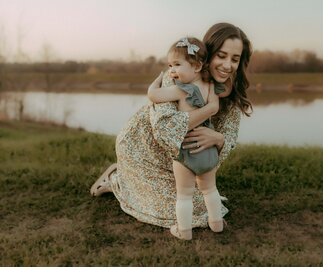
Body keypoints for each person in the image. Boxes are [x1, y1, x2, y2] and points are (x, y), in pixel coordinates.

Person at [90, 22, 253, 235]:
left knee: (203, 205)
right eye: (221, 56)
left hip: (183, 158)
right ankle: (117, 178)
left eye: (235, 59)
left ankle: (131, 181)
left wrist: (218, 139)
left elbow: (228, 138)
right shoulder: (178, 74)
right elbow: (164, 131)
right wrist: (210, 109)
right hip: (143, 151)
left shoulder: (229, 91)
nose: (227, 65)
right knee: (191, 210)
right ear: (206, 55)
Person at [147, 36, 226, 240]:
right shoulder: (211, 87)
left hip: (186, 150)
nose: (172, 71)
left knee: (184, 195)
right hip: (207, 149)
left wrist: (154, 84)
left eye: (177, 65)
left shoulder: (181, 89)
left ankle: (184, 231)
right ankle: (216, 224)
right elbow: (214, 108)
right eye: (169, 65)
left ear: (198, 65)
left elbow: (154, 96)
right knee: (210, 189)